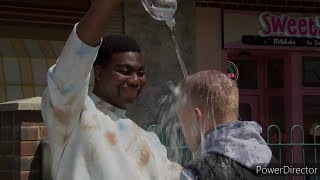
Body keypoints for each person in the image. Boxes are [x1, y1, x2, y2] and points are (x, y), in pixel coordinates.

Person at [41, 0, 181, 179]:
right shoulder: (74, 116)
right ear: (99, 72)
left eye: (141, 72)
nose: (135, 80)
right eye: (124, 71)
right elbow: (76, 57)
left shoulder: (150, 142)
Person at [174, 70, 284, 180]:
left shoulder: (196, 173)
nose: (182, 129)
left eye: (183, 121)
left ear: (196, 116)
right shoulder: (273, 164)